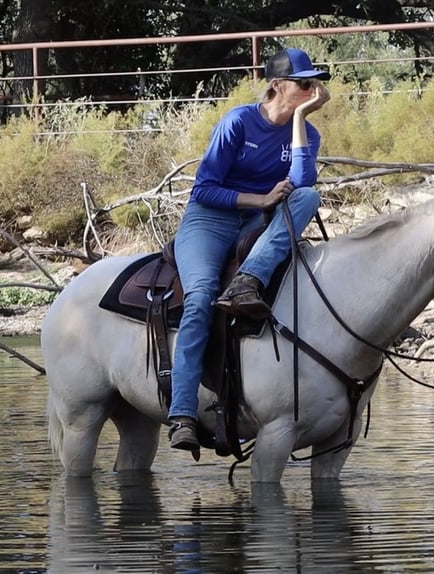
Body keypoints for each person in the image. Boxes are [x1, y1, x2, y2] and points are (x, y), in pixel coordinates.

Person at [167, 48, 332, 455]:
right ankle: (183, 413)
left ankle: (249, 277)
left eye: (315, 83)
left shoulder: (306, 132)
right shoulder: (238, 122)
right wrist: (257, 199)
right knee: (201, 298)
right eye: (304, 84)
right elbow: (203, 187)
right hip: (210, 219)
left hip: (259, 226)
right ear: (277, 85)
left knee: (308, 196)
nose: (314, 90)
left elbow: (300, 182)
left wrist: (298, 119)